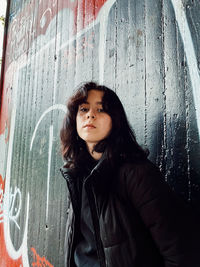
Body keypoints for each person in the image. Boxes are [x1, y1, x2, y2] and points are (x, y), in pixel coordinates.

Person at [60, 82, 200, 267]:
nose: (90, 114)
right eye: (83, 109)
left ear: (115, 120)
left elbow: (181, 253)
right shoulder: (76, 174)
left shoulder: (137, 174)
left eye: (101, 109)